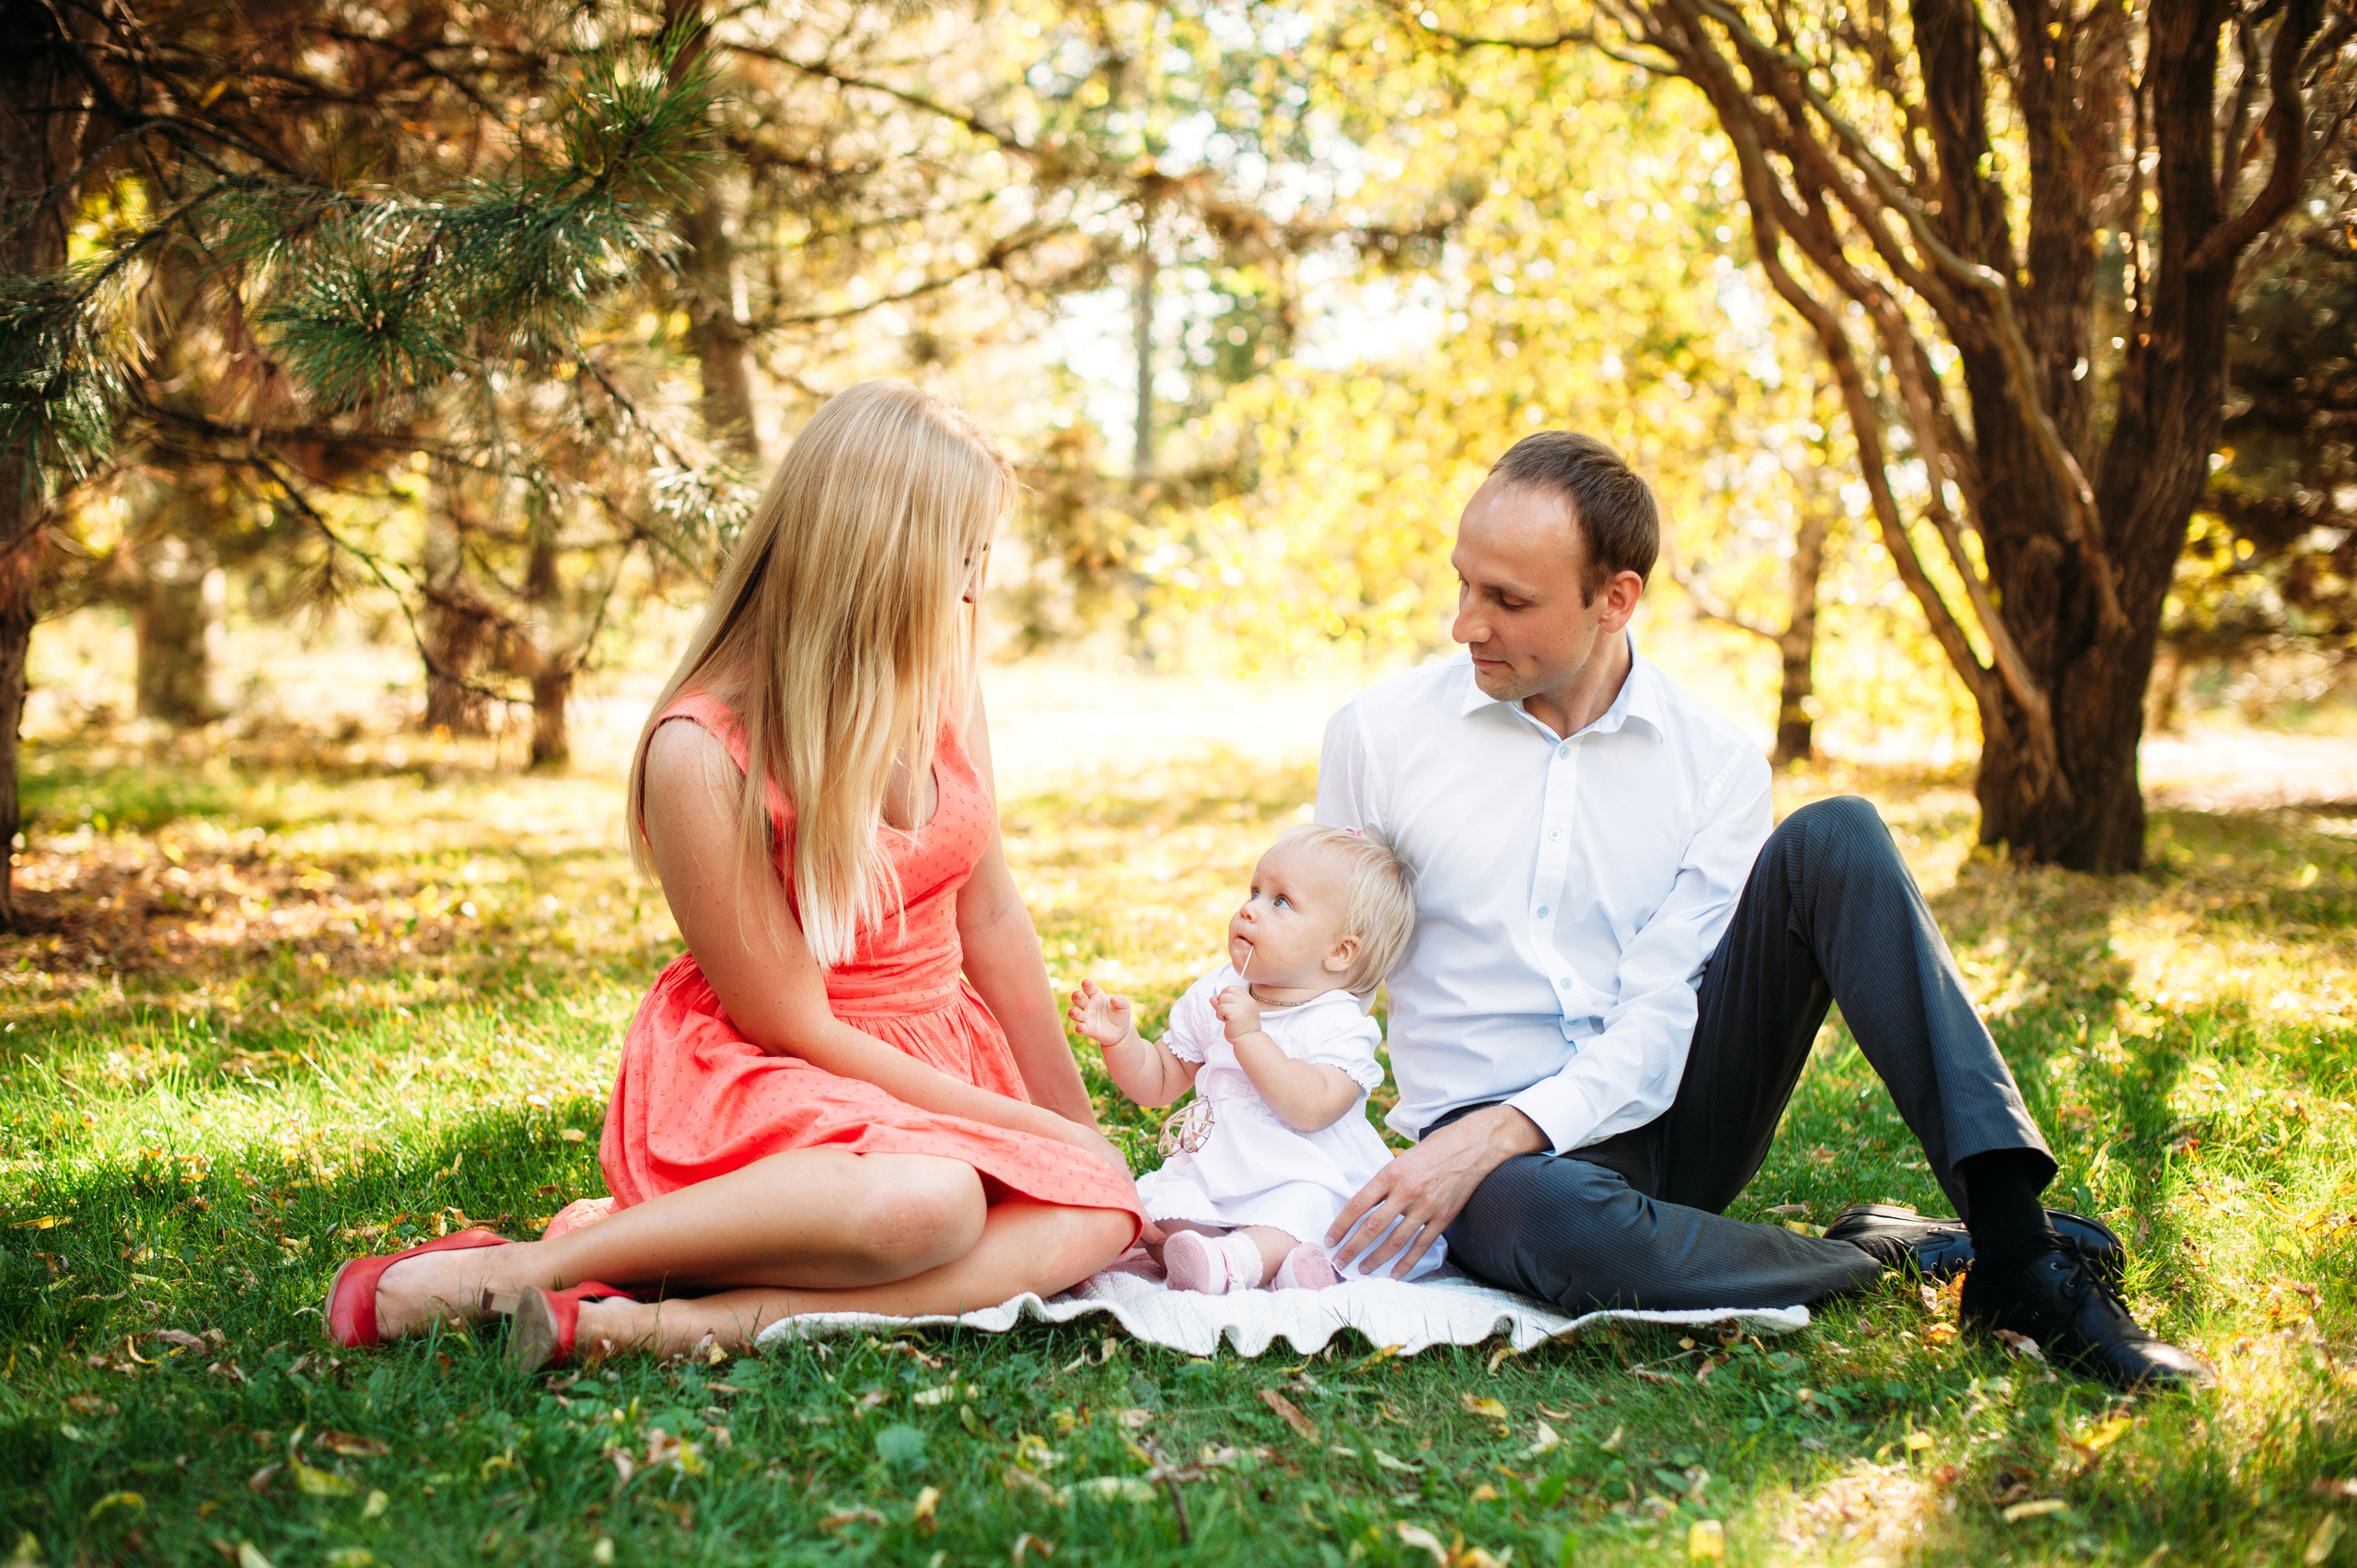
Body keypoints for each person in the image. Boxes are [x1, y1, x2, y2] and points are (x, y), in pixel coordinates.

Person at [1313, 431, 2210, 1391]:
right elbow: (1319, 955)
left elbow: (1662, 1012)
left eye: (1508, 600)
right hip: (1491, 1163)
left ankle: (2020, 1252)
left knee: (1839, 836)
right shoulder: (1380, 736)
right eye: (1463, 583)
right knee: (1551, 1220)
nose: (1464, 624)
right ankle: (1897, 1254)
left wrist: (1506, 1131)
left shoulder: (1715, 762)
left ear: (1615, 598)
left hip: (1669, 1118)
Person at [323, 381, 1140, 1369]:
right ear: (878, 555)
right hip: (778, 1073)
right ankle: (533, 1266)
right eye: (959, 559)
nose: (972, 592)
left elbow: (993, 917)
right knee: (930, 1203)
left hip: (933, 1060)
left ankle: (643, 1323)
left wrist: (1077, 1133)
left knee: (1100, 1212)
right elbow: (793, 1022)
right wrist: (1025, 1129)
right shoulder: (701, 750)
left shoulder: (937, 673)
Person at [1068, 825, 1440, 1295]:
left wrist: (1248, 1035)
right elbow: (1158, 1081)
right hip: (1220, 1170)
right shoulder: (1218, 989)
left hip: (1302, 1171)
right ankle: (1266, 1263)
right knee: (1165, 1209)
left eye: (1280, 901)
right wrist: (1122, 1042)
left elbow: (1310, 1110)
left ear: (1340, 951)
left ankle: (1239, 1261)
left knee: (1307, 1206)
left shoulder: (1338, 1023)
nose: (1250, 908)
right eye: (1255, 891)